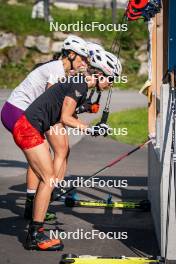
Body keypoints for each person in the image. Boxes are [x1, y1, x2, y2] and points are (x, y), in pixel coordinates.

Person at [1, 35, 89, 221]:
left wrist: (78, 109)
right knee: (44, 159)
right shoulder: (57, 69)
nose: (84, 63)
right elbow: (52, 104)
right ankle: (37, 207)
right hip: (17, 111)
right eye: (82, 58)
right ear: (71, 55)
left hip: (15, 111)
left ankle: (32, 205)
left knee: (41, 157)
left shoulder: (59, 69)